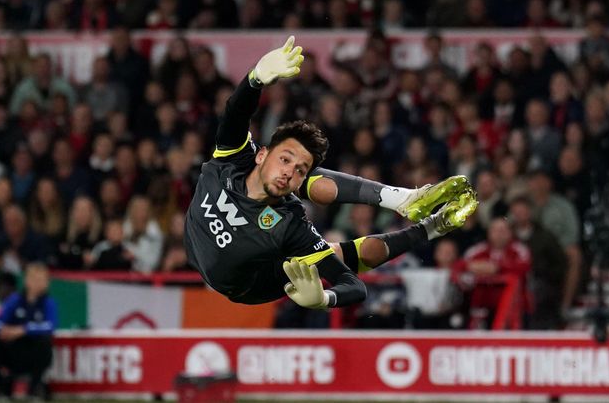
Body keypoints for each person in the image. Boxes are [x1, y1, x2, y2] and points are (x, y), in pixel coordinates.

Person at [184, 36, 478, 309]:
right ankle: (414, 208)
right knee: (333, 242)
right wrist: (255, 79)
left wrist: (324, 298)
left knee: (335, 257)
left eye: (298, 169)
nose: (289, 172)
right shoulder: (234, 159)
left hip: (249, 285)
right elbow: (235, 112)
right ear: (261, 154)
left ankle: (423, 219)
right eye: (284, 159)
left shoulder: (291, 225)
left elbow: (354, 286)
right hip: (196, 247)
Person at [0, 263, 57, 400]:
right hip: (12, 351)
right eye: (35, 279)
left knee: (44, 342)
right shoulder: (15, 300)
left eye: (42, 280)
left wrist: (24, 330)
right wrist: (4, 330)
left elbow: (51, 326)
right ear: (27, 281)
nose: (38, 283)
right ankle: (2, 391)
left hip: (33, 352)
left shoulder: (48, 303)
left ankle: (33, 391)